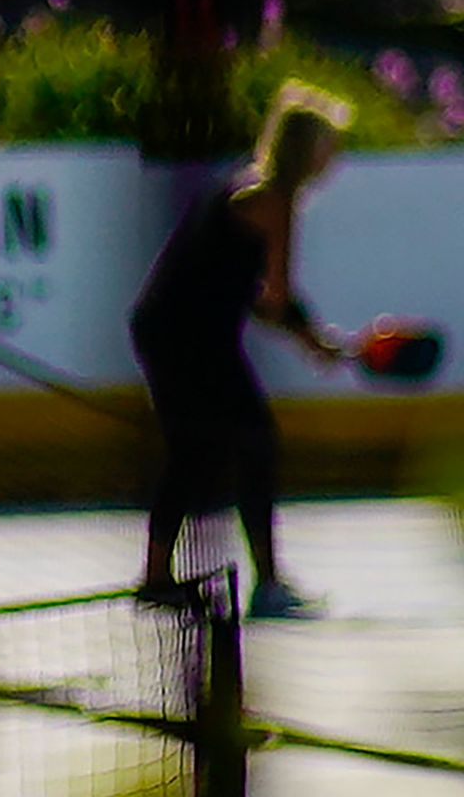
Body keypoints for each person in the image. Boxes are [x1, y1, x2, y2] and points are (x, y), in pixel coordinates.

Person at [133, 82, 354, 617]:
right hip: (189, 336)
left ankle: (158, 577)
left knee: (198, 449)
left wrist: (312, 340)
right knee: (253, 441)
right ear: (305, 150)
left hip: (170, 328)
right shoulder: (276, 201)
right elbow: (275, 300)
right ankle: (267, 584)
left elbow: (252, 294)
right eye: (327, 145)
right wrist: (317, 341)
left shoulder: (248, 188)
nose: (333, 157)